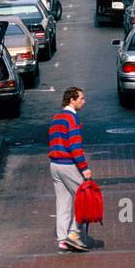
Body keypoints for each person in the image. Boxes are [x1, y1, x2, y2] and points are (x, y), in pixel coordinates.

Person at [49, 86, 93, 253]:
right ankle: (74, 235)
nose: (84, 101)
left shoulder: (56, 118)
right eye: (81, 98)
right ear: (71, 100)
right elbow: (75, 146)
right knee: (85, 199)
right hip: (68, 165)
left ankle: (62, 240)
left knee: (63, 203)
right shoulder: (72, 119)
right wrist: (84, 168)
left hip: (54, 165)